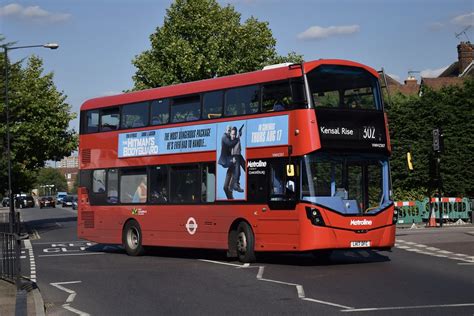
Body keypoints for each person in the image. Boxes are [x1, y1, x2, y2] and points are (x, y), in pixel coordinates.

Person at [218, 125, 240, 199]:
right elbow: (230, 143)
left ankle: (230, 199)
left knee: (225, 187)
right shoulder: (224, 137)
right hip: (225, 160)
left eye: (230, 131)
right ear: (226, 130)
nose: (229, 132)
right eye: (228, 130)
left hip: (229, 162)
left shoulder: (230, 138)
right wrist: (238, 138)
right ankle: (235, 184)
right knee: (236, 161)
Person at [230, 126, 245, 193]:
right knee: (237, 170)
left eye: (234, 134)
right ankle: (235, 185)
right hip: (235, 156)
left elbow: (239, 135)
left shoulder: (237, 138)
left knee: (246, 166)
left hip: (239, 155)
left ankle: (232, 186)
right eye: (232, 134)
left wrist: (240, 132)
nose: (233, 136)